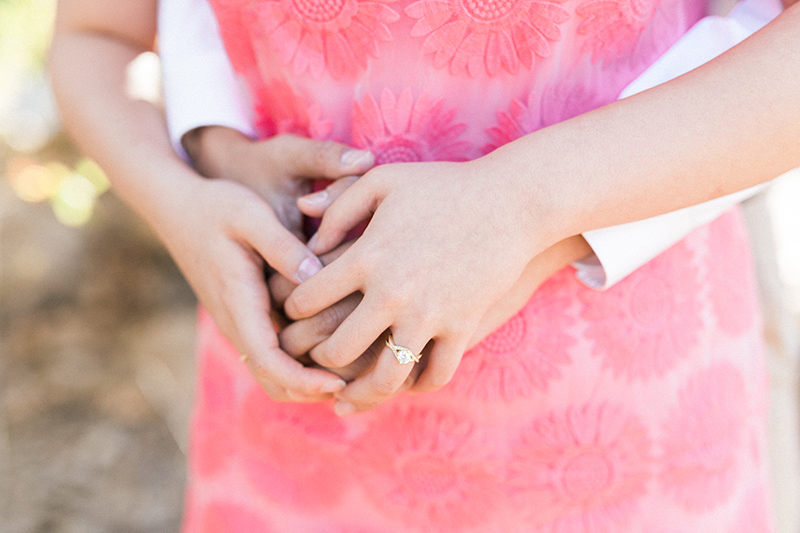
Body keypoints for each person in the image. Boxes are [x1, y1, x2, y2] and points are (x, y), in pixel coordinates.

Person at [49, 0, 800, 529]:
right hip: (287, 438)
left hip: (622, 433)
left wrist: (523, 207)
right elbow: (98, 34)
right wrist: (189, 191)